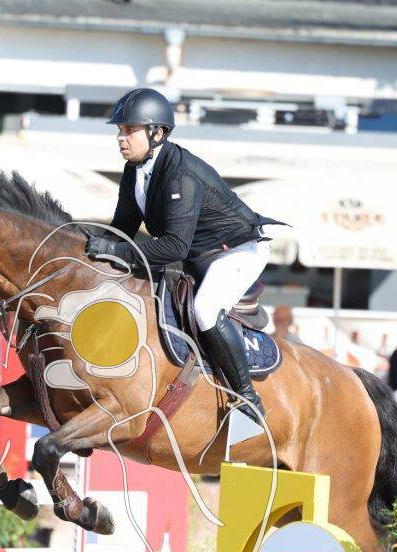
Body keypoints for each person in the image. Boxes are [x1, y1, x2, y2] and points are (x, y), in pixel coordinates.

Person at [85, 88, 282, 425]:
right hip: (196, 253)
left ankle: (247, 398)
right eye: (120, 130)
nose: (120, 138)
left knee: (205, 309)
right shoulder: (134, 171)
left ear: (157, 132)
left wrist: (115, 251)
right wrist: (89, 248)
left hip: (236, 250)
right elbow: (122, 230)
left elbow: (174, 247)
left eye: (129, 130)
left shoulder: (181, 173)